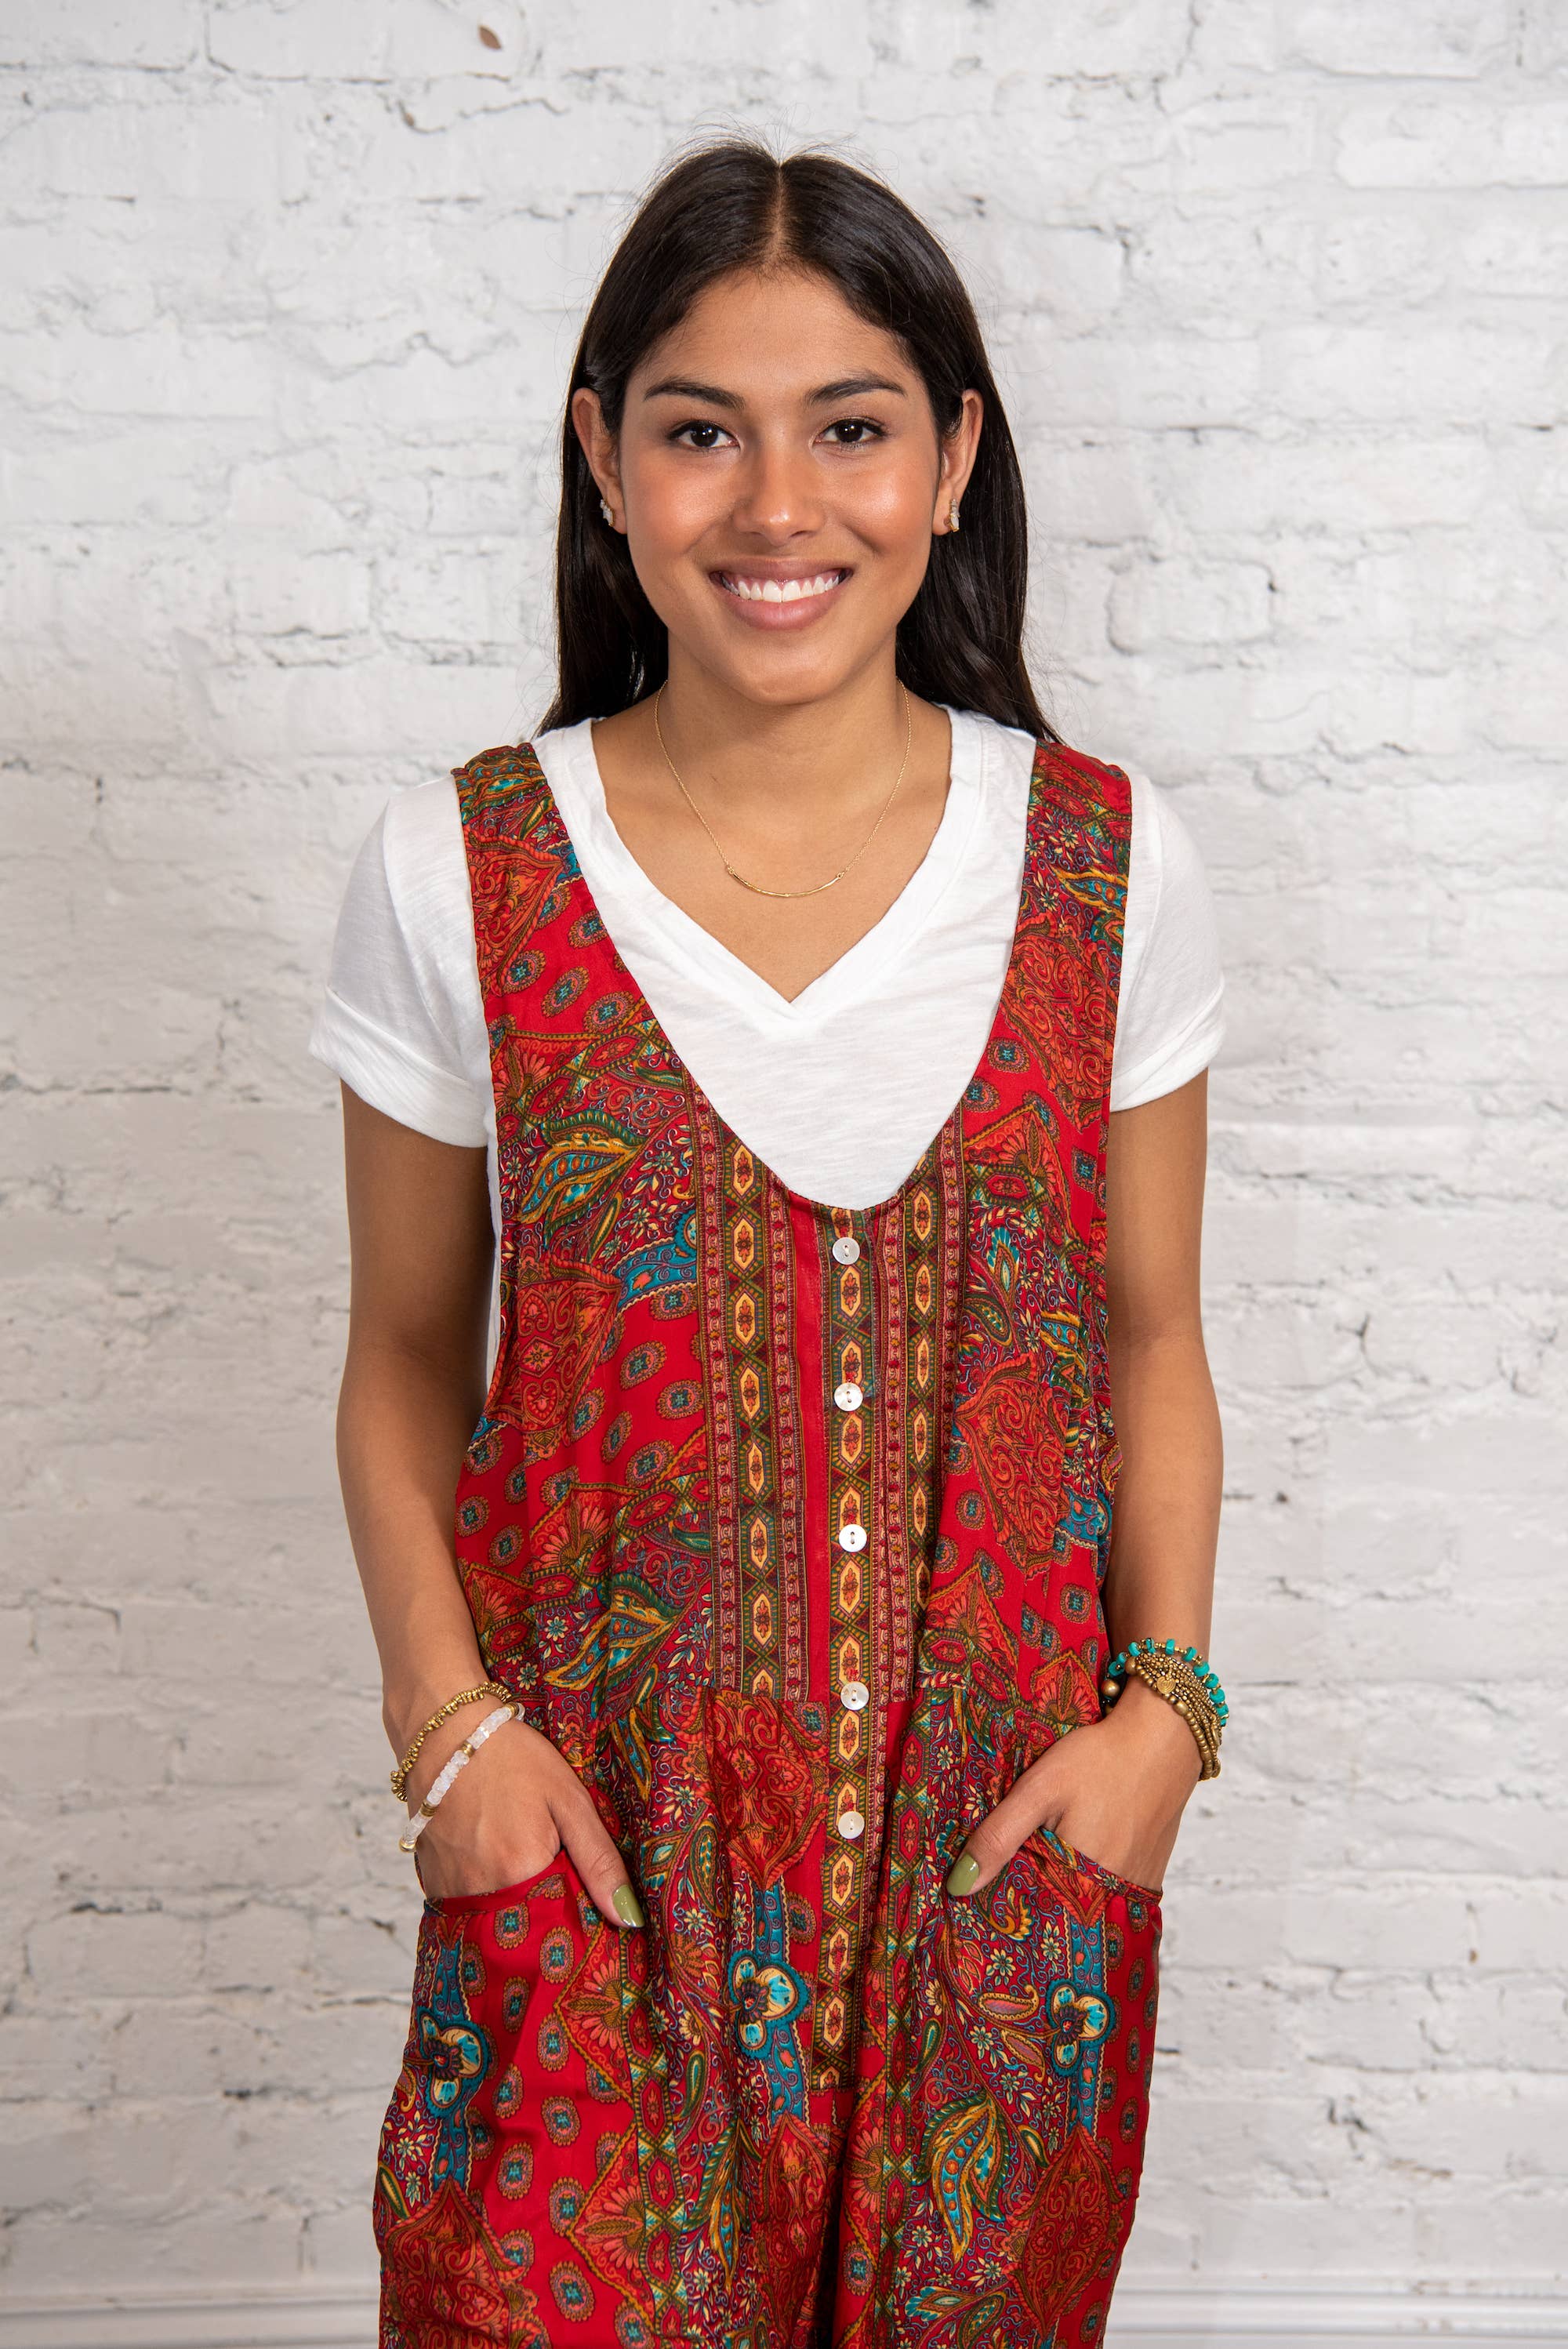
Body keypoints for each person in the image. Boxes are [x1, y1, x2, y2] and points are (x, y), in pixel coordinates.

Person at [310, 136, 1226, 2349]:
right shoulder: (459, 869)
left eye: (852, 428)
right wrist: (450, 1741)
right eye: (703, 431)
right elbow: (405, 1354)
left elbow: (1151, 1337)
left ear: (954, 460)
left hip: (999, 1892)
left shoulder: (1105, 867)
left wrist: (1164, 1723)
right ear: (603, 457)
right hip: (593, 1879)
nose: (778, 506)